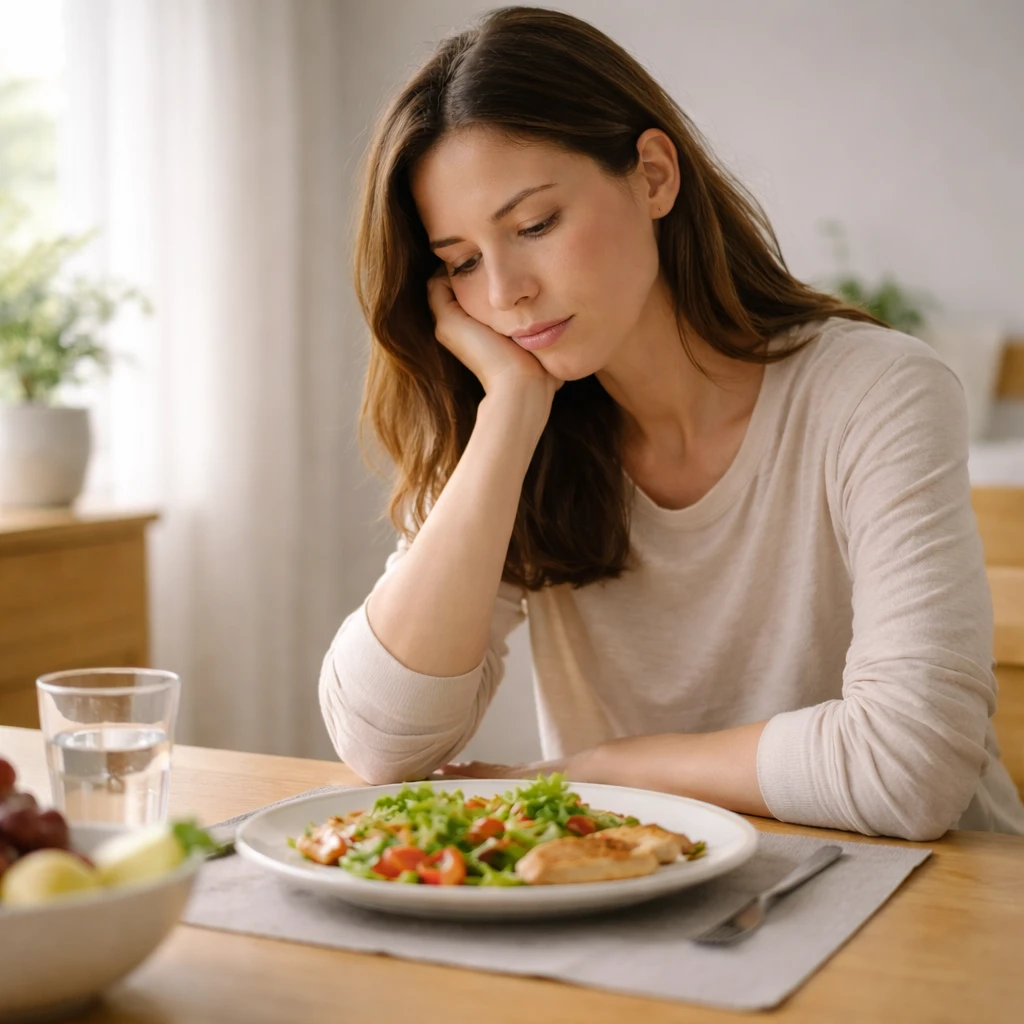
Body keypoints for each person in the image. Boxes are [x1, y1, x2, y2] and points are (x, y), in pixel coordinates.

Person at [319, 6, 1024, 840]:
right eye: (462, 263)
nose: (505, 292)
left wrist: (600, 769)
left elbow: (910, 769)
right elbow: (380, 741)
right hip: (649, 909)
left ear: (653, 175)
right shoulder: (521, 431)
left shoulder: (877, 392)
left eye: (536, 224)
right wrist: (508, 418)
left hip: (934, 909)